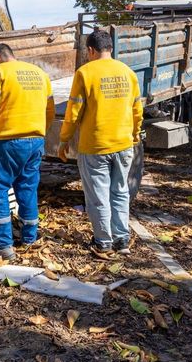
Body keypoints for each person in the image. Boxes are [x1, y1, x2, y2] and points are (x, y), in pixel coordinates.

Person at [58, 30, 142, 256]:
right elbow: (137, 109)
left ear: (91, 50)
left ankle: (104, 242)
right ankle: (122, 240)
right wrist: (134, 135)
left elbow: (73, 111)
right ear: (111, 49)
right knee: (120, 191)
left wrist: (64, 140)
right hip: (124, 144)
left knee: (98, 196)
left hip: (95, 146)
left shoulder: (85, 73)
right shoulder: (128, 72)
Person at [0, 44, 55, 261]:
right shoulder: (40, 74)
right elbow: (49, 110)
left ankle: (4, 247)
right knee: (27, 187)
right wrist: (39, 131)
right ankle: (29, 238)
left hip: (9, 142)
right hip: (36, 140)